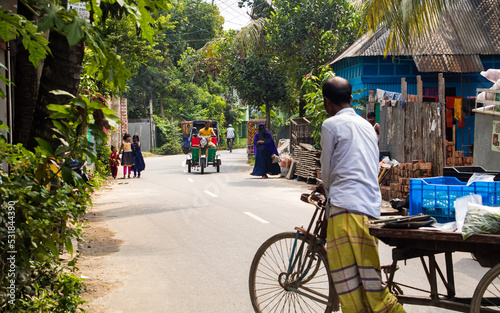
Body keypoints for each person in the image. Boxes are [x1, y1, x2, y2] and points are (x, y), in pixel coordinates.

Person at [320, 77, 405, 313]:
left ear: (327, 102)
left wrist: (326, 190)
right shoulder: (368, 126)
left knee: (350, 285)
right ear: (350, 98)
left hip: (345, 207)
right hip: (369, 208)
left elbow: (326, 170)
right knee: (370, 281)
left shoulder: (330, 125)